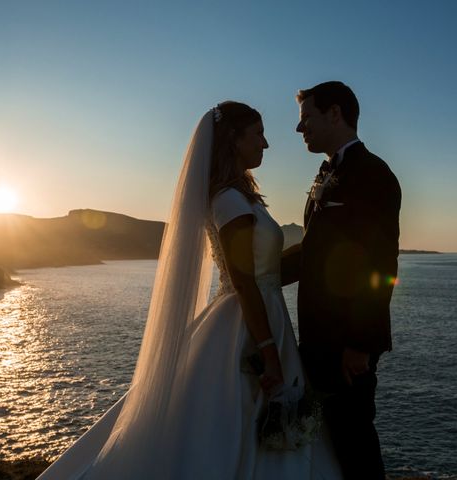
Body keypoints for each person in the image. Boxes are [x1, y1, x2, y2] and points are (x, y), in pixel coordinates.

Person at [38, 102, 342, 479]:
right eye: (258, 134)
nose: (266, 144)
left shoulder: (239, 197)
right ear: (233, 139)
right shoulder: (230, 201)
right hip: (247, 326)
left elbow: (266, 271)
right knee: (237, 424)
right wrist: (268, 351)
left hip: (260, 315)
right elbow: (244, 279)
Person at [281, 81, 401, 480]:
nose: (300, 130)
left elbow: (380, 265)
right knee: (328, 443)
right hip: (317, 339)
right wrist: (253, 275)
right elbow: (315, 250)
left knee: (355, 444)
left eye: (306, 118)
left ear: (335, 114)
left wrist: (359, 345)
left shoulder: (374, 174)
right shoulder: (326, 170)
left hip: (346, 347)